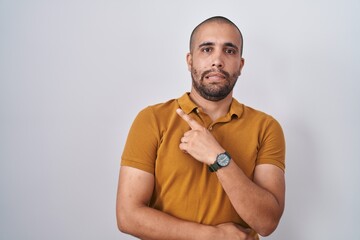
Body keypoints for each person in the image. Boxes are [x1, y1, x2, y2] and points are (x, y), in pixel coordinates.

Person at [116, 16, 286, 240]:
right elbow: (128, 216)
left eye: (229, 51)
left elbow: (267, 222)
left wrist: (218, 157)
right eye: (207, 49)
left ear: (241, 65)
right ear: (189, 60)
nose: (217, 60)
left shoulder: (267, 127)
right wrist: (212, 236)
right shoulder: (151, 119)